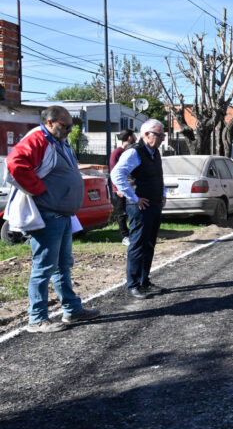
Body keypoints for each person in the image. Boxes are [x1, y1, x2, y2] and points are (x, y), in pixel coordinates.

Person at [6, 106, 101, 333]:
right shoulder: (38, 139)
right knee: (44, 267)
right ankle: (37, 318)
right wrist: (39, 190)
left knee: (63, 265)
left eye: (70, 126)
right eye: (65, 125)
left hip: (62, 214)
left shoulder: (59, 141)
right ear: (50, 122)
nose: (69, 130)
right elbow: (14, 164)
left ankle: (72, 310)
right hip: (48, 214)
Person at [110, 119, 168, 299]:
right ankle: (133, 284)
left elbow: (158, 175)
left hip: (154, 204)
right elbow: (116, 174)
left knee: (149, 243)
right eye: (158, 135)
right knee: (137, 244)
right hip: (140, 206)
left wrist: (163, 193)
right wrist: (133, 198)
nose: (162, 138)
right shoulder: (134, 152)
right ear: (146, 135)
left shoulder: (155, 152)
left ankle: (144, 281)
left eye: (163, 135)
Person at [109, 129, 137, 246]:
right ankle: (125, 236)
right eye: (134, 135)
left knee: (131, 212)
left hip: (130, 187)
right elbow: (113, 171)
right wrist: (117, 188)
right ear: (129, 137)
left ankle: (133, 234)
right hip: (121, 189)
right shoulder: (117, 152)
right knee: (121, 213)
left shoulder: (132, 151)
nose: (136, 137)